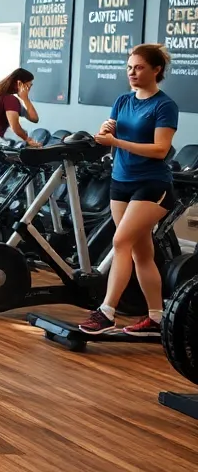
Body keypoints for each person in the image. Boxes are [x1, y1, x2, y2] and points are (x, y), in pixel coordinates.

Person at [78, 44, 180, 337]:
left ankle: (107, 311)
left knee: (120, 242)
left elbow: (160, 150)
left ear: (156, 70)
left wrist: (117, 143)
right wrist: (106, 132)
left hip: (152, 185)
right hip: (121, 181)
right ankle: (157, 318)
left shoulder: (164, 105)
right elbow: (110, 137)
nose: (132, 73)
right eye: (129, 68)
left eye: (139, 68)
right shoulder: (122, 101)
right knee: (140, 253)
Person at [0, 68, 41, 145]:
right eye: (28, 85)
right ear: (19, 84)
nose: (29, 89)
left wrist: (25, 99)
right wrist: (28, 140)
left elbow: (34, 118)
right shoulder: (10, 100)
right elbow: (15, 126)